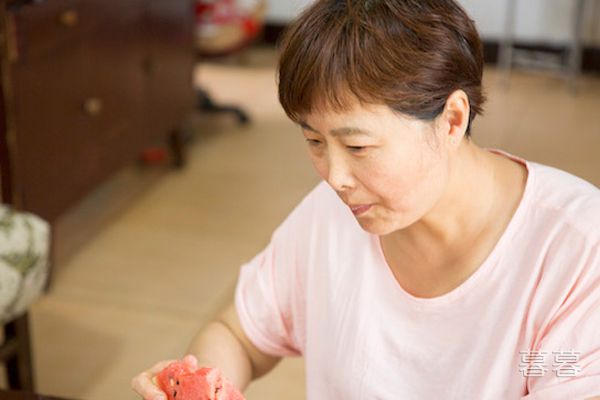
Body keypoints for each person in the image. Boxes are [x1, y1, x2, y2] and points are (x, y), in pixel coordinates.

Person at [132, 1, 600, 398]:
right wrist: (204, 385)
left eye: (358, 147)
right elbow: (237, 334)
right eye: (314, 141)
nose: (335, 178)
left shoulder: (578, 254)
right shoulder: (332, 215)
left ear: (452, 120)